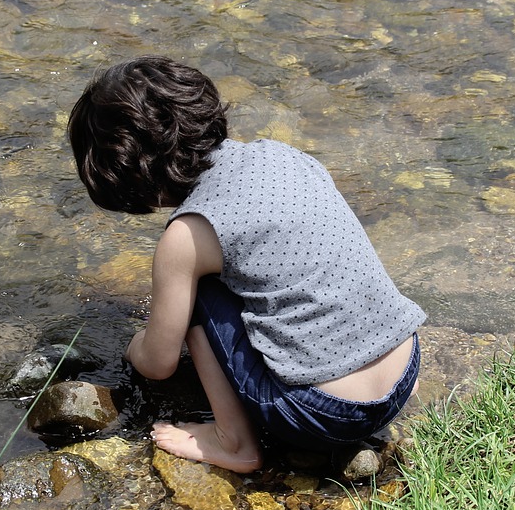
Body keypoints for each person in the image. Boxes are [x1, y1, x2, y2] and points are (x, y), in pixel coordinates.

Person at [67, 56, 425, 473]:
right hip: (404, 368)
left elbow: (160, 364)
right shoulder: (281, 155)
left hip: (327, 414)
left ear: (127, 175)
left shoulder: (187, 235)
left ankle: (234, 443)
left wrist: (135, 346)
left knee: (198, 290)